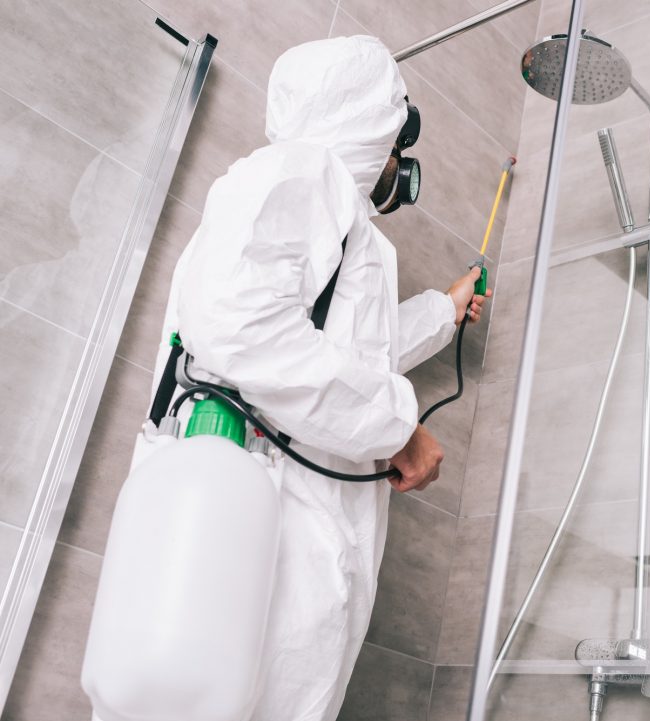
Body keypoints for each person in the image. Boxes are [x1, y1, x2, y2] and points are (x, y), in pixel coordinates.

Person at [148, 35, 489, 721]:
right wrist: (398, 430)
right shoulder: (299, 175)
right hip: (261, 521)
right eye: (395, 140)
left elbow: (339, 349)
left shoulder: (324, 211)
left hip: (281, 523)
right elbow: (240, 324)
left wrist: (444, 313)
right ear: (370, 121)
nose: (397, 163)